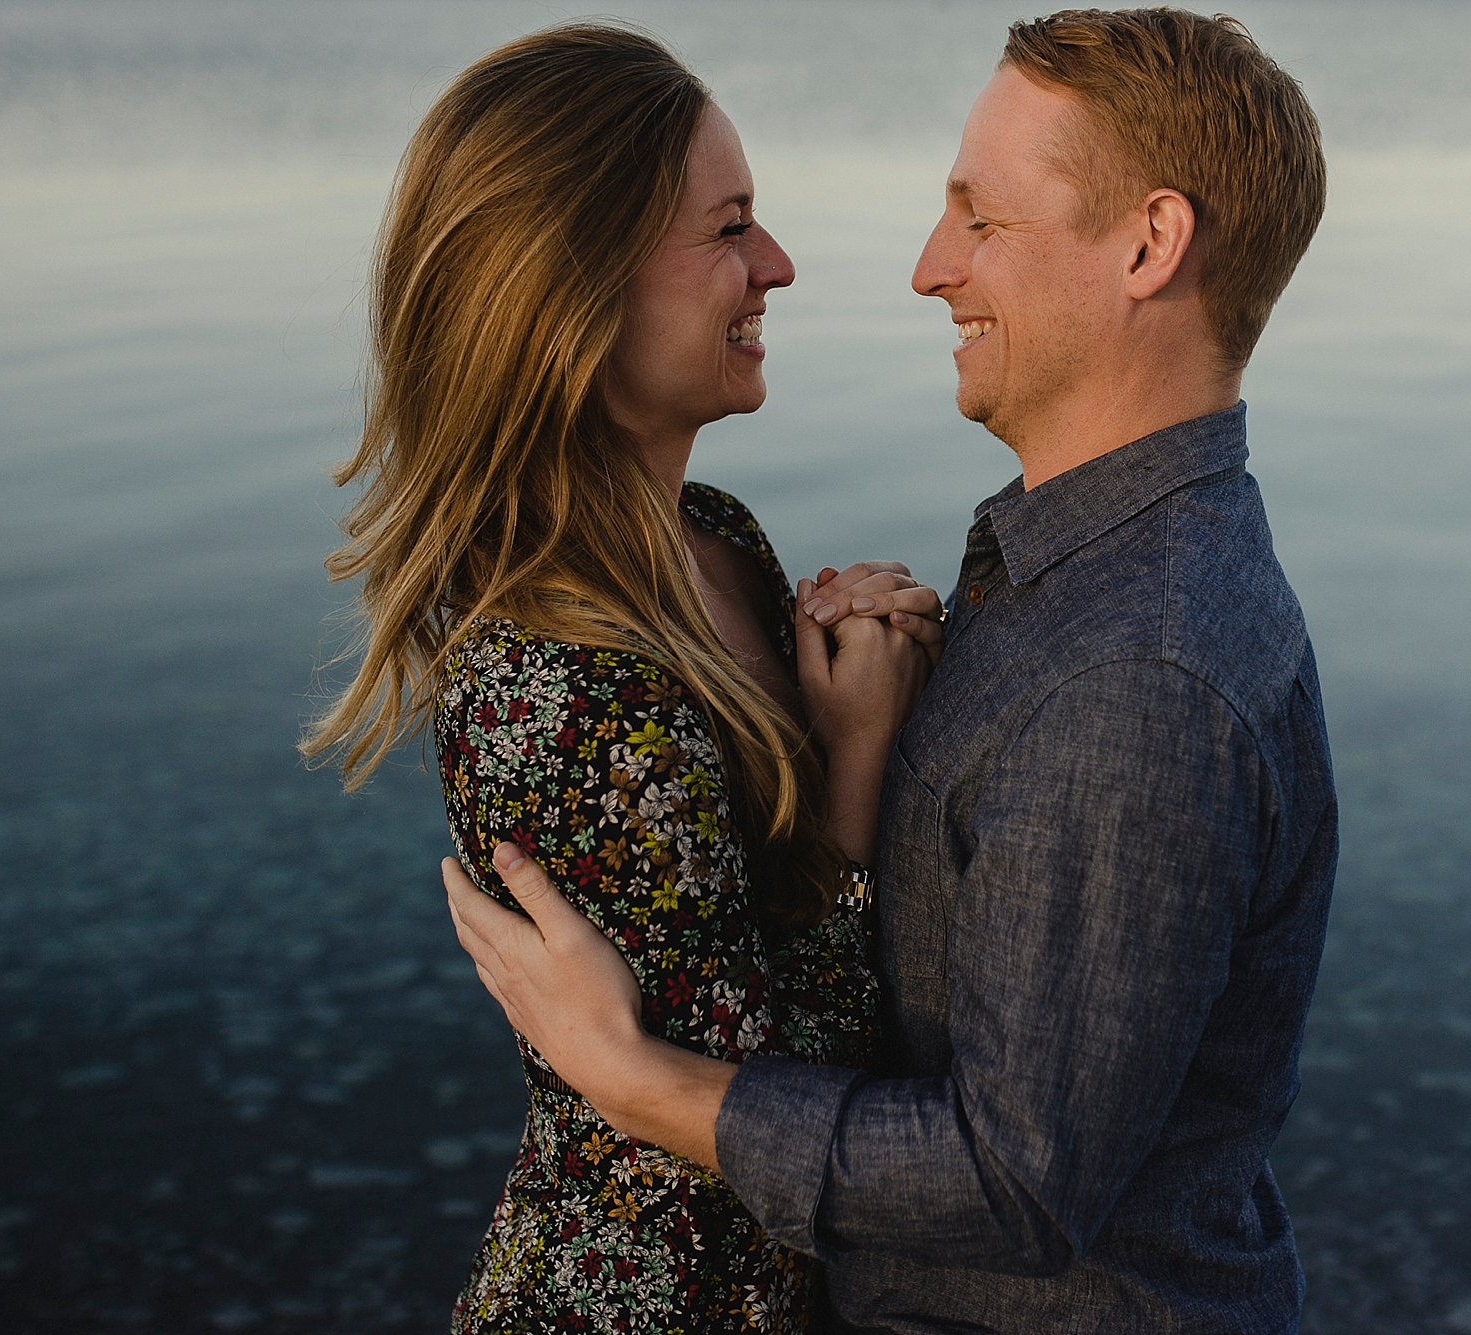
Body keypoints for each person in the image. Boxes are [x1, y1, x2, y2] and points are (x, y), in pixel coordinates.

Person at [444, 8, 1337, 1335]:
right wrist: (857, 739)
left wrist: (631, 1080)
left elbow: (1013, 1180)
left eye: (981, 218)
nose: (927, 268)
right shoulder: (1069, 587)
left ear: (1149, 246)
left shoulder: (1135, 678)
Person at [300, 24, 947, 1334]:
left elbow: (784, 933)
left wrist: (867, 675)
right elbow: (774, 1104)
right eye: (729, 230)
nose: (778, 264)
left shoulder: (718, 536)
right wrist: (862, 753)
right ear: (577, 289)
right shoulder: (555, 683)